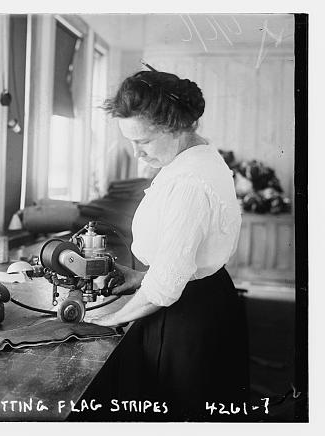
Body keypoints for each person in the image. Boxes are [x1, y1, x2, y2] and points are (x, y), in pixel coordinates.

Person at [87, 70, 249, 420]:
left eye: (143, 142)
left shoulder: (189, 180)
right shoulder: (198, 157)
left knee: (177, 413)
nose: (135, 153)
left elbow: (164, 288)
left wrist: (108, 322)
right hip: (201, 298)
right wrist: (137, 276)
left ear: (175, 126)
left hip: (185, 318)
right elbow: (182, 255)